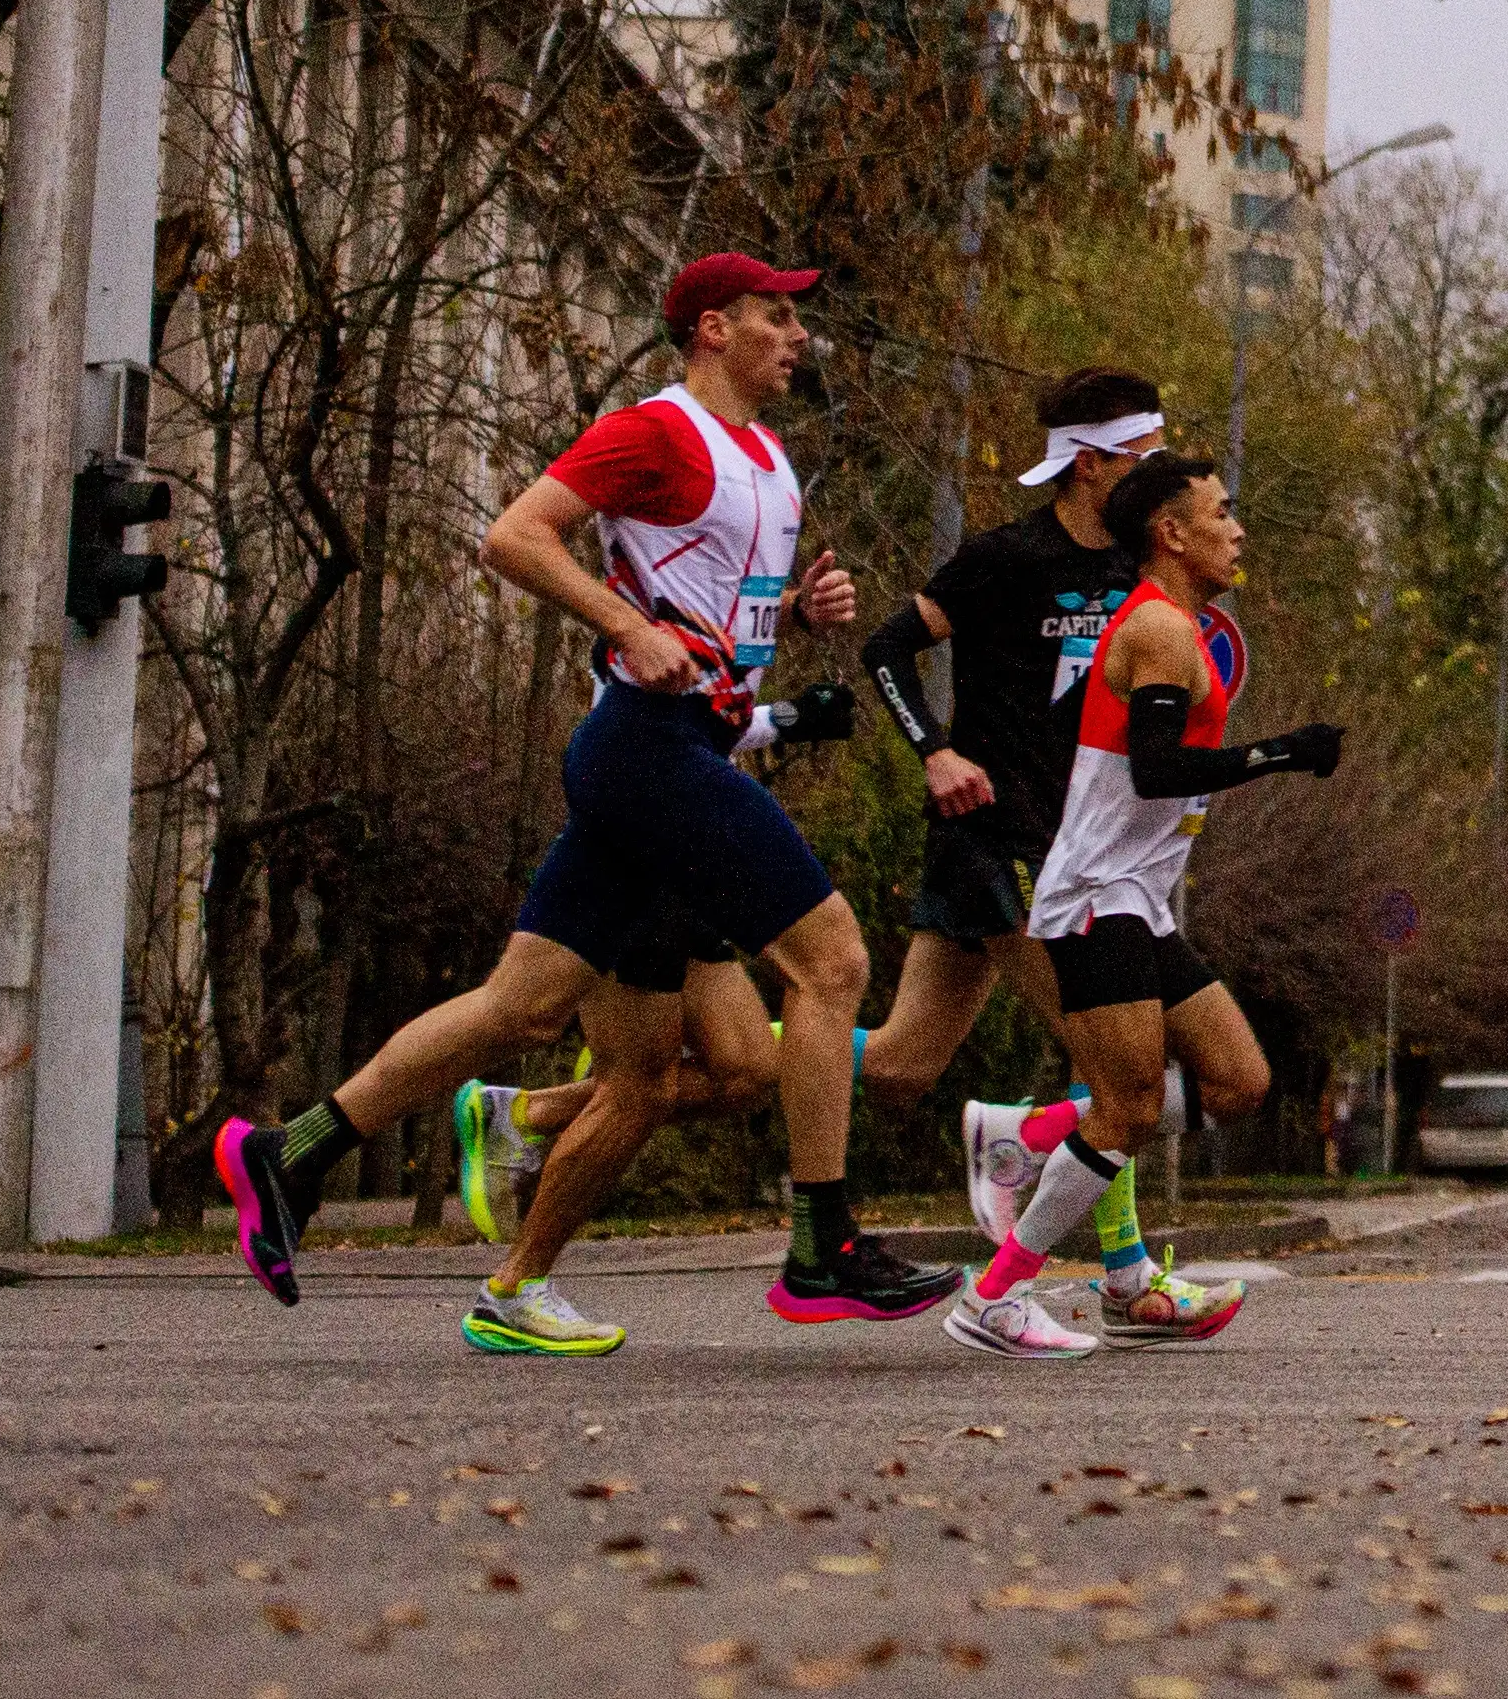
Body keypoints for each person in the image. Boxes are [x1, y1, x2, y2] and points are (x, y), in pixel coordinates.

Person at [213, 252, 953, 1352]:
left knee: (542, 1019)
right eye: (774, 317)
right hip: (647, 754)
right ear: (712, 327)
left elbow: (710, 616)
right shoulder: (656, 430)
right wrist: (621, 625)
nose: (798, 338)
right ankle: (821, 1241)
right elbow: (514, 536)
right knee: (832, 962)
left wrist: (796, 618)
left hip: (673, 752)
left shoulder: (765, 458)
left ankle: (299, 1152)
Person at [447, 370, 1229, 1339]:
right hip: (1000, 840)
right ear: (1091, 463)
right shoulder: (1005, 558)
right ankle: (1105, 1267)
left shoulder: (1140, 574)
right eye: (1143, 461)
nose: (1159, 484)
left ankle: (535, 1113)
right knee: (1112, 1066)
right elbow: (891, 648)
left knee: (897, 1062)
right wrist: (935, 750)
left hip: (1071, 843)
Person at [943, 450, 1344, 1359]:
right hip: (1094, 896)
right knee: (1124, 1108)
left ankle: (1031, 1135)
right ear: (1171, 532)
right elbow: (1159, 769)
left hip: (1140, 901)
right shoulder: (1160, 630)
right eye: (1222, 512)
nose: (1238, 530)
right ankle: (994, 1298)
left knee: (1240, 1081)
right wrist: (1279, 753)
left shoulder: (1180, 629)